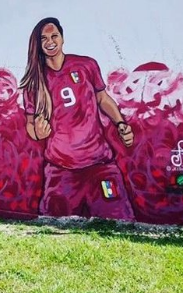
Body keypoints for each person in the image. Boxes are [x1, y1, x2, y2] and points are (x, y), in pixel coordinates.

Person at [19, 17, 135, 220]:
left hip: (100, 166)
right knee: (52, 230)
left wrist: (121, 123)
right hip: (61, 172)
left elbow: (102, 98)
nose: (50, 42)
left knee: (121, 225)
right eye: (44, 38)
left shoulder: (85, 65)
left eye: (54, 36)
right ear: (38, 43)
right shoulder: (34, 82)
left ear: (62, 39)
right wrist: (37, 132)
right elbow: (30, 124)